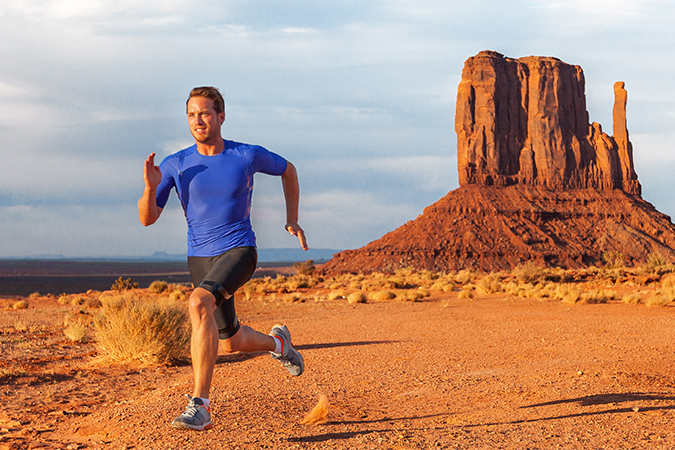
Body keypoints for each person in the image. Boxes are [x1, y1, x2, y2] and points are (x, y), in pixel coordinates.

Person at [138, 86, 308, 431]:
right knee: (229, 341)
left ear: (220, 116)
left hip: (240, 249)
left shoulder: (246, 155)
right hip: (200, 258)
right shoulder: (176, 164)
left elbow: (288, 170)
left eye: (204, 113)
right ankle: (279, 344)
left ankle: (200, 405)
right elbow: (147, 218)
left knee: (199, 302)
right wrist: (148, 187)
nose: (197, 120)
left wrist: (292, 217)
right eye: (191, 114)